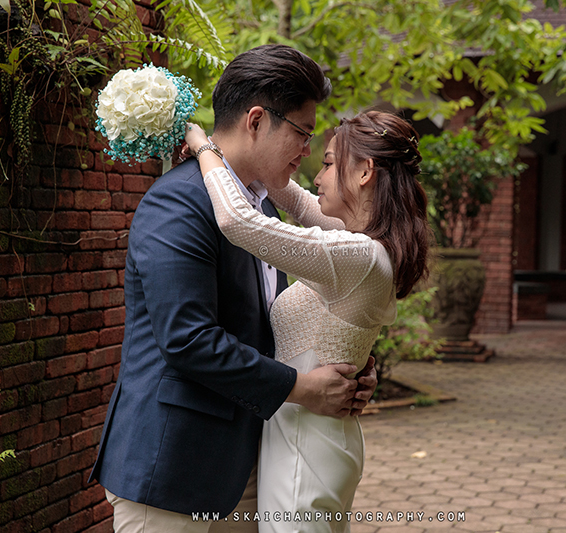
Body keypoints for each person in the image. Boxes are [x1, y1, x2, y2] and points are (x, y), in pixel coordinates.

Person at [89, 44, 378, 533]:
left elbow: (273, 323)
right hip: (173, 466)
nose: (307, 151)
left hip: (244, 463)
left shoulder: (258, 211)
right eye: (303, 132)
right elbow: (188, 339)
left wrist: (349, 366)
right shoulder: (179, 203)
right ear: (257, 121)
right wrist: (303, 389)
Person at [185, 109, 431, 532]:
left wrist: (204, 145)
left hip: (308, 445)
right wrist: (254, 156)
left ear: (365, 172)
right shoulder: (365, 244)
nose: (317, 177)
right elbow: (297, 200)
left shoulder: (359, 257)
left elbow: (238, 222)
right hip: (308, 433)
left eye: (330, 163)